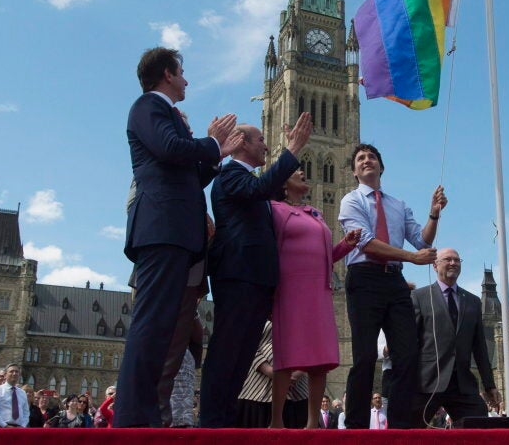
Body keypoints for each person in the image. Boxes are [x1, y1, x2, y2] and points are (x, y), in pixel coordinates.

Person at [118, 47, 240, 427]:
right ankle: (132, 417)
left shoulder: (163, 113)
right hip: (161, 230)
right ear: (168, 74)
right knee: (151, 324)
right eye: (182, 72)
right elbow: (171, 149)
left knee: (163, 329)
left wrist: (216, 157)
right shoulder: (148, 107)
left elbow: (190, 176)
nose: (187, 80)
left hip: (176, 234)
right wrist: (213, 144)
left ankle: (147, 413)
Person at [201, 114, 313, 428]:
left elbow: (273, 192)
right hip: (238, 275)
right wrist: (292, 148)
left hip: (256, 279)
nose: (266, 145)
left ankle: (224, 420)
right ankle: (211, 423)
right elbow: (263, 186)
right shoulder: (231, 174)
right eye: (261, 139)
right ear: (241, 143)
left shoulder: (249, 180)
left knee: (241, 355)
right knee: (227, 351)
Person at [339, 143, 445, 429]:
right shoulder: (351, 201)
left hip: (394, 280)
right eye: (360, 158)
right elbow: (368, 244)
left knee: (408, 353)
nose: (366, 160)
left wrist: (433, 214)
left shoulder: (398, 205)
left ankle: (400, 425)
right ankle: (356, 427)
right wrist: (412, 258)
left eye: (372, 157)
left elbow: (422, 241)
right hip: (364, 279)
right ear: (354, 171)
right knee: (363, 356)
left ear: (381, 167)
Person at [268, 169, 361, 429]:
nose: (302, 173)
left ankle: (312, 424)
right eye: (295, 172)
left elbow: (324, 255)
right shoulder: (274, 209)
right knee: (286, 354)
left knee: (320, 359)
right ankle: (276, 421)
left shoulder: (315, 213)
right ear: (283, 183)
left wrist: (346, 244)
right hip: (291, 286)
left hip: (319, 289)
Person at [409, 247, 499, 427]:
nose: (453, 263)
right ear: (435, 265)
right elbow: (410, 342)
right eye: (448, 259)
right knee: (409, 430)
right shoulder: (418, 297)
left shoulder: (473, 301)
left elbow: (480, 348)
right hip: (427, 382)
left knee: (480, 426)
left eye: (457, 260)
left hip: (462, 385)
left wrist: (490, 386)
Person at [235, 320, 309, 428]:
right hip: (258, 390)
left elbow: (310, 345)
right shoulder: (257, 310)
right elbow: (246, 341)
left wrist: (297, 373)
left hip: (296, 391)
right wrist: (270, 371)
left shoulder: (301, 313)